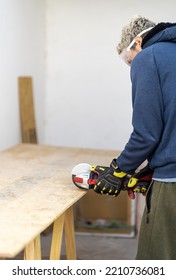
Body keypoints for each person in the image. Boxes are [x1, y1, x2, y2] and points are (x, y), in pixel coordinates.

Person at [91, 15, 176, 260]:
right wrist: (151, 166)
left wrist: (119, 170)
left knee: (158, 261)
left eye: (131, 62)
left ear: (137, 42)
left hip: (172, 181)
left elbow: (146, 134)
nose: (133, 69)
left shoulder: (149, 57)